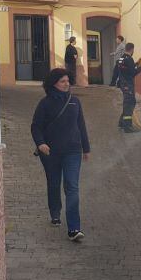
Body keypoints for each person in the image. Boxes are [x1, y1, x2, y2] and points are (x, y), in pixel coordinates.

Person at [31, 68, 91, 241]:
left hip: (73, 150)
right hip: (50, 152)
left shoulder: (75, 102)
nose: (67, 84)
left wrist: (86, 148)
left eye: (67, 81)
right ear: (54, 84)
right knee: (54, 183)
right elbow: (35, 126)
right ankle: (55, 212)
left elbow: (81, 125)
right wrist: (40, 143)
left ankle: (74, 228)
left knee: (72, 186)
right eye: (62, 81)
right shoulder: (45, 103)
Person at [115, 42, 141, 132]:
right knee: (129, 104)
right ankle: (127, 127)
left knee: (128, 103)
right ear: (132, 49)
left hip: (123, 84)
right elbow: (132, 73)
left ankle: (121, 122)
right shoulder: (129, 59)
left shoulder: (121, 59)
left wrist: (136, 63)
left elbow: (127, 68)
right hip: (128, 85)